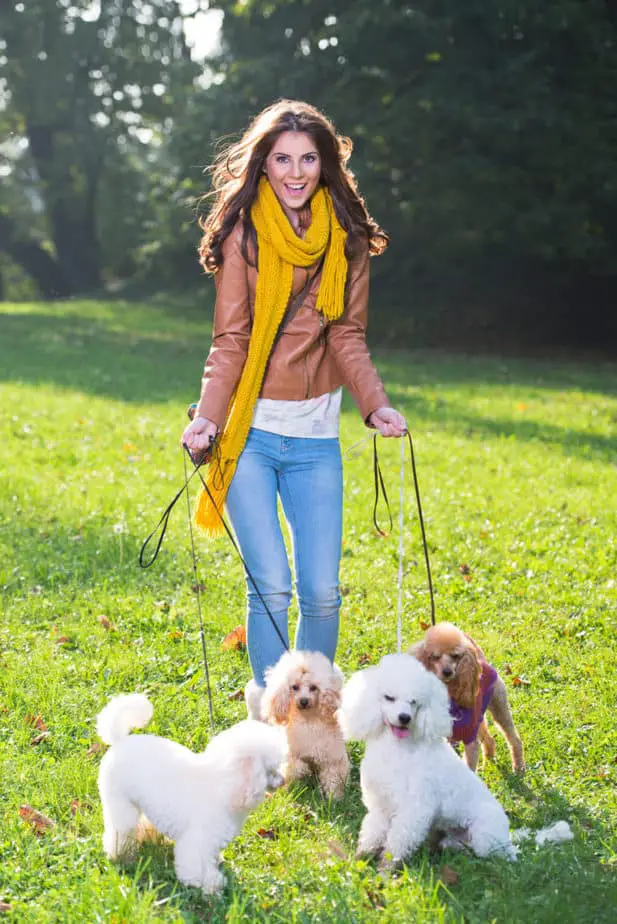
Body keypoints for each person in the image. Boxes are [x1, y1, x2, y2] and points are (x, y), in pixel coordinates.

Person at [182, 100, 407, 718]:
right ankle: (273, 717)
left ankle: (321, 716)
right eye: (282, 158)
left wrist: (376, 405)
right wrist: (207, 417)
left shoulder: (348, 238)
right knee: (272, 588)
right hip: (249, 436)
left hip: (314, 441)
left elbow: (348, 336)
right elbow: (230, 339)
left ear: (326, 162)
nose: (296, 171)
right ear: (264, 164)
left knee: (323, 591)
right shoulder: (244, 234)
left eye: (308, 157)